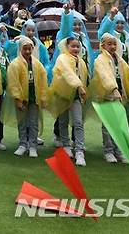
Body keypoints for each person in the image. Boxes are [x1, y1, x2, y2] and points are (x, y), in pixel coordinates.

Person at [90, 33, 129, 164]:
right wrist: (113, 88)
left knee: (121, 125)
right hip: (107, 96)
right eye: (109, 44)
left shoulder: (120, 61)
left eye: (114, 44)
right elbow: (105, 76)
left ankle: (120, 150)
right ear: (102, 45)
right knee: (108, 125)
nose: (112, 46)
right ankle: (108, 151)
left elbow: (127, 79)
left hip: (120, 96)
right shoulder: (100, 60)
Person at [48, 37, 89, 166]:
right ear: (67, 46)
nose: (76, 49)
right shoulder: (62, 59)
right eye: (73, 46)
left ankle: (79, 150)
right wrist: (79, 86)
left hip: (76, 96)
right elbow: (67, 73)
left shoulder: (81, 62)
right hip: (63, 94)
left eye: (78, 46)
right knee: (63, 121)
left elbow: (84, 77)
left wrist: (82, 89)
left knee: (78, 122)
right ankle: (66, 145)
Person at [7, 37, 48, 158]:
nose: (27, 51)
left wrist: (43, 98)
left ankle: (33, 146)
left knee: (33, 122)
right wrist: (18, 99)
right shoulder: (15, 64)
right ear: (20, 49)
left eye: (29, 49)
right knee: (22, 122)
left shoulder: (37, 64)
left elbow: (43, 81)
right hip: (22, 98)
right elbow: (13, 83)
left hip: (33, 98)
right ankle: (23, 144)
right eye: (25, 49)